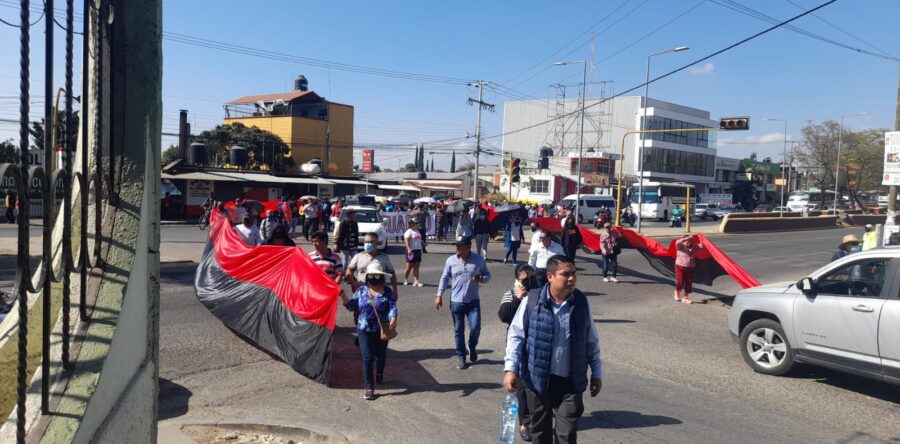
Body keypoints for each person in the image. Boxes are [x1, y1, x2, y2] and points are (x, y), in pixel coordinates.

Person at [503, 255, 603, 444]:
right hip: (538, 382)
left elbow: (591, 341)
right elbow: (516, 336)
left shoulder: (580, 302)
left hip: (570, 384)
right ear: (550, 276)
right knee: (540, 435)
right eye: (565, 274)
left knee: (567, 436)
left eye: (573, 273)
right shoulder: (532, 301)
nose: (571, 278)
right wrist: (511, 370)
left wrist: (596, 372)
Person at [340, 262, 397, 400]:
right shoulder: (361, 291)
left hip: (381, 329)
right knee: (368, 358)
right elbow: (351, 306)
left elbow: (392, 307)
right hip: (363, 329)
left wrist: (393, 318)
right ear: (368, 277)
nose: (374, 278)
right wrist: (343, 295)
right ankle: (369, 388)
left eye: (377, 275)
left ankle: (379, 371)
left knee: (381, 357)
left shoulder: (387, 291)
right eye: (372, 275)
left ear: (382, 277)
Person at [435, 237, 491, 370]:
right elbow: (444, 278)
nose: (458, 249)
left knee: (476, 328)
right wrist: (439, 295)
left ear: (469, 246)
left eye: (461, 246)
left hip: (473, 302)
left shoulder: (478, 260)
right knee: (458, 331)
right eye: (457, 246)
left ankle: (471, 346)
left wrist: (482, 278)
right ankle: (461, 356)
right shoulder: (451, 260)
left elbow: (488, 275)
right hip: (456, 302)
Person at [498, 264, 538, 441]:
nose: (529, 282)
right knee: (522, 385)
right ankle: (525, 423)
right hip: (519, 344)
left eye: (531, 278)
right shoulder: (511, 293)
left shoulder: (539, 292)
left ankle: (539, 415)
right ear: (517, 280)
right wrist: (517, 298)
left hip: (537, 342)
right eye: (525, 279)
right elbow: (504, 316)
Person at [346, 232, 399, 298]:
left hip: (379, 293)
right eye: (366, 242)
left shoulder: (383, 257)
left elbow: (392, 275)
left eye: (371, 242)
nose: (368, 244)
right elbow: (349, 271)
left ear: (376, 243)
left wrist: (395, 291)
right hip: (362, 292)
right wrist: (353, 284)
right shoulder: (358, 256)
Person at [674, 234, 703, 304]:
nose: (688, 242)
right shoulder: (680, 246)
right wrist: (686, 238)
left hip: (690, 267)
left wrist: (702, 238)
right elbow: (677, 242)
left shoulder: (694, 246)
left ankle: (685, 298)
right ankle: (677, 292)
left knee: (689, 282)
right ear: (683, 241)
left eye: (690, 241)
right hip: (680, 266)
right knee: (680, 282)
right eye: (687, 241)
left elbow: (702, 246)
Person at [402, 220, 424, 287]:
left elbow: (419, 240)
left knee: (416, 266)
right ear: (411, 224)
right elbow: (406, 241)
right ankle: (405, 279)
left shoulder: (417, 231)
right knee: (409, 266)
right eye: (415, 223)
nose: (417, 225)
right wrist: (408, 249)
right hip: (411, 251)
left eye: (417, 223)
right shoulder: (408, 232)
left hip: (418, 250)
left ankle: (416, 281)